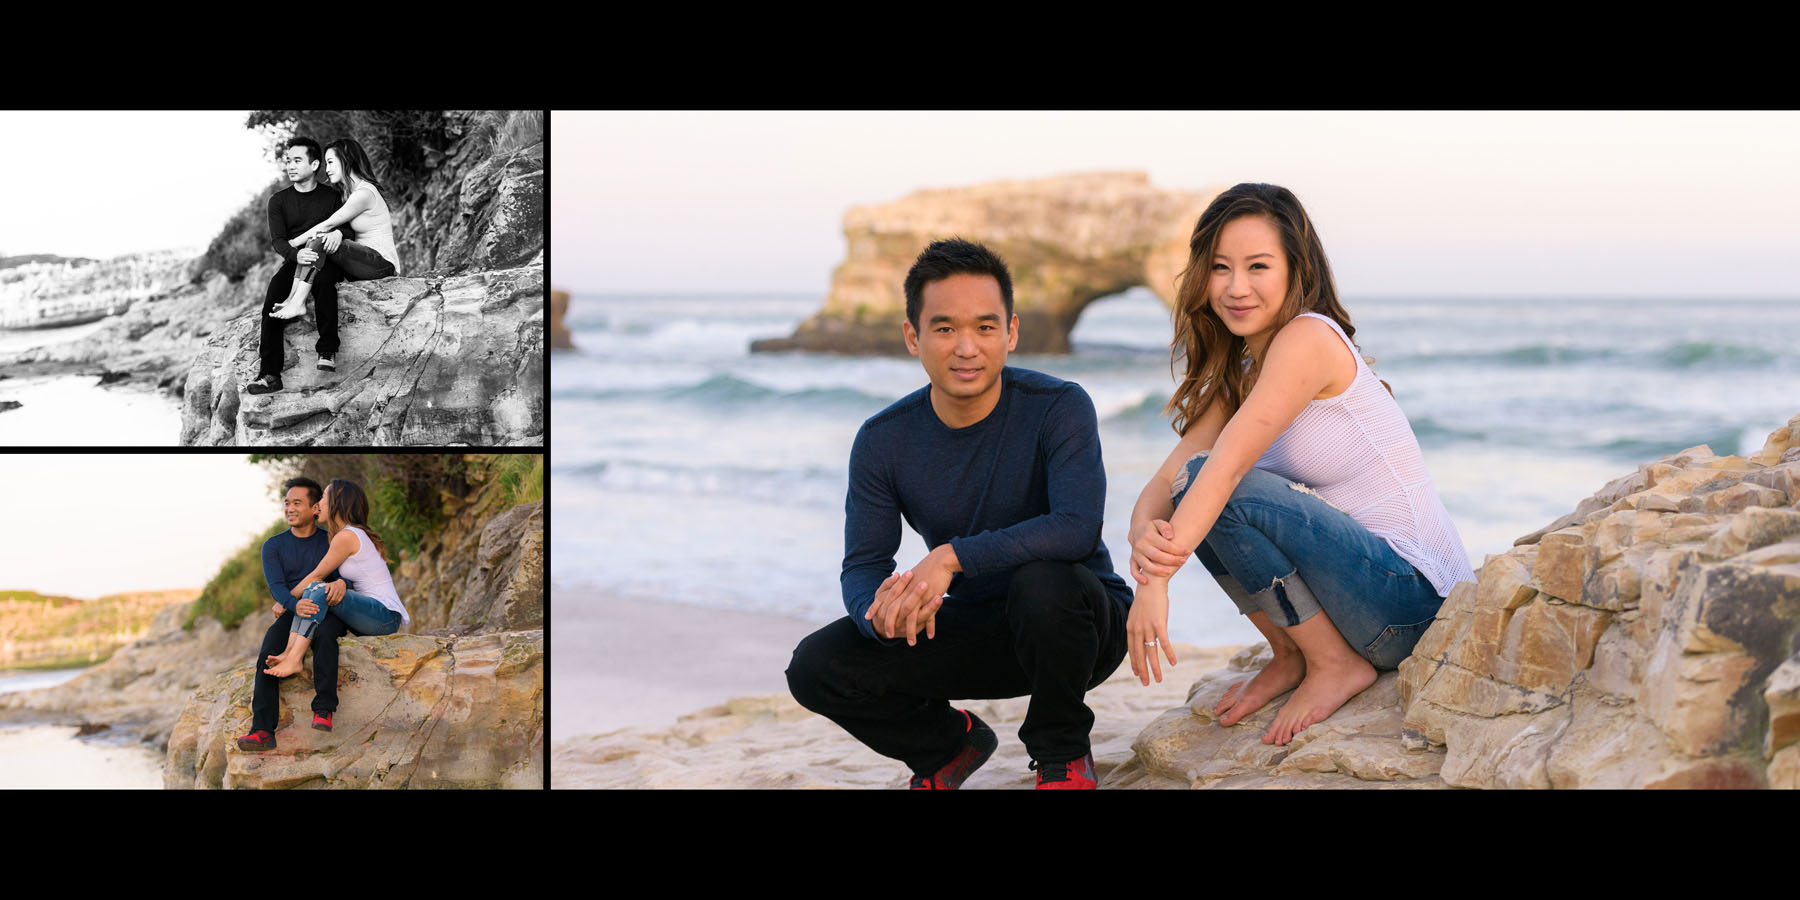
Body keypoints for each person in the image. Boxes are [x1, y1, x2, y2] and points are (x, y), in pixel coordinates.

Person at [1125, 182, 1475, 746]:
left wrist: (1157, 582)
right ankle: (1292, 652)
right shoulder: (1242, 370)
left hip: (1417, 607)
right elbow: (1164, 484)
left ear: (1297, 270)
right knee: (1195, 489)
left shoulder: (1308, 339)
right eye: (1220, 268)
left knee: (1213, 486)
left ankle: (1334, 663)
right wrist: (1145, 546)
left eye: (1258, 266)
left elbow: (1226, 470)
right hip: (1362, 605)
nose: (1236, 288)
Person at [784, 238, 1132, 790]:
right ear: (912, 337)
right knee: (817, 665)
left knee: (1042, 584)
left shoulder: (1059, 407)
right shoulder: (882, 440)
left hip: (1080, 626)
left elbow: (1076, 527)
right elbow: (863, 564)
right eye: (944, 329)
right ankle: (948, 746)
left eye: (985, 328)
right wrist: (880, 612)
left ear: (1011, 333)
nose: (966, 348)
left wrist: (950, 558)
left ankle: (1061, 753)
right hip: (980, 632)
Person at [236, 477, 348, 750]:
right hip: (294, 609)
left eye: (297, 503)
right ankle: (262, 730)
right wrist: (292, 604)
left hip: (328, 609)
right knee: (268, 652)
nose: (290, 509)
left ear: (314, 508)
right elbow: (276, 586)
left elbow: (345, 577)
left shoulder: (331, 541)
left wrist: (341, 583)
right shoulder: (273, 546)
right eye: (287, 503)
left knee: (324, 636)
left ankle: (324, 709)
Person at [263, 478, 411, 681]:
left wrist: (284, 600)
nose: (319, 504)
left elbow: (317, 575)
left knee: (317, 588)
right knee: (315, 589)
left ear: (336, 503)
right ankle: (289, 653)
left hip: (385, 616)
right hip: (370, 617)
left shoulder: (347, 536)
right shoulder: (345, 535)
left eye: (323, 497)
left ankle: (295, 657)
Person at [247, 137, 350, 395]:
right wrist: (296, 256)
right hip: (295, 260)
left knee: (325, 283)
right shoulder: (278, 201)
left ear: (314, 164)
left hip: (328, 258)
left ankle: (327, 350)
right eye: (288, 161)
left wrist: (340, 234)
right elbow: (278, 241)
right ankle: (270, 374)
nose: (291, 166)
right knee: (273, 299)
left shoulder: (332, 196)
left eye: (297, 160)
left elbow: (348, 225)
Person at [268, 138, 400, 322]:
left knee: (320, 238)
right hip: (361, 263)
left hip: (381, 264)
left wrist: (293, 243)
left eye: (330, 162)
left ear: (346, 161)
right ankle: (292, 299)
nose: (327, 168)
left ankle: (298, 302)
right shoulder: (349, 193)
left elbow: (328, 224)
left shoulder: (364, 194)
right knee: (313, 243)